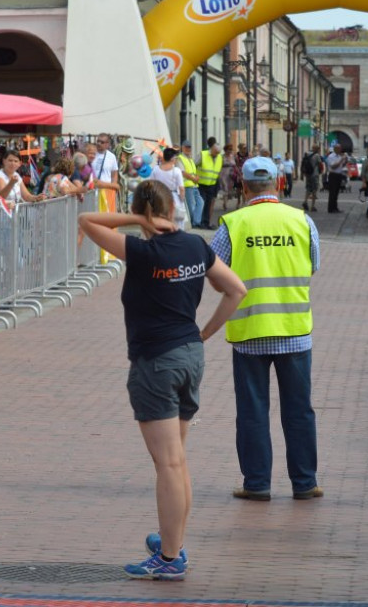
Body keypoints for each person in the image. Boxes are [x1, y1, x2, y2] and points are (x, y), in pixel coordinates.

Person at [78, 180, 246, 581]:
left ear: (142, 213)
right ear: (173, 208)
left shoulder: (141, 250)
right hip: (190, 354)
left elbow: (87, 219)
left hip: (156, 360)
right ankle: (174, 541)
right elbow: (236, 290)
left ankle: (170, 557)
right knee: (177, 460)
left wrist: (139, 220)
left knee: (167, 463)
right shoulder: (195, 246)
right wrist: (205, 333)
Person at [211, 157, 322, 502]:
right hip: (294, 330)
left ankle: (257, 483)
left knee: (253, 410)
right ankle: (305, 483)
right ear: (279, 183)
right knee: (299, 409)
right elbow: (313, 265)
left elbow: (215, 274)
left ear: (243, 186)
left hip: (250, 333)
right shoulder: (302, 221)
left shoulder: (232, 224)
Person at [150, 146, 187, 230]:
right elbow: (181, 188)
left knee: (160, 220)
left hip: (159, 196)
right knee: (176, 222)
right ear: (172, 159)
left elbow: (151, 185)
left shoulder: (156, 169)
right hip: (173, 197)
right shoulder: (177, 171)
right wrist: (182, 199)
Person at [196, 143, 222, 229]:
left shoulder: (219, 157)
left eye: (218, 153)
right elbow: (194, 164)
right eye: (215, 152)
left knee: (208, 204)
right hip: (201, 184)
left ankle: (206, 222)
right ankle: (199, 222)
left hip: (212, 184)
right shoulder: (203, 154)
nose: (216, 154)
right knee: (201, 203)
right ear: (211, 149)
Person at [177, 140, 202, 225]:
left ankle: (196, 222)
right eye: (186, 147)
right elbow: (182, 172)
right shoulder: (180, 158)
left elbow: (193, 171)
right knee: (191, 206)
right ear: (182, 148)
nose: (188, 149)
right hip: (187, 185)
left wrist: (197, 177)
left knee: (200, 203)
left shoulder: (190, 159)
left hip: (194, 185)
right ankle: (193, 223)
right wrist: (193, 179)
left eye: (189, 147)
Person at [325, 144, 349, 214]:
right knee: (332, 192)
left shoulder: (339, 156)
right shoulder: (331, 156)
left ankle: (335, 207)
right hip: (333, 175)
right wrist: (342, 159)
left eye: (341, 148)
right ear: (335, 149)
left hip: (339, 175)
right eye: (339, 148)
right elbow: (333, 166)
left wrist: (345, 161)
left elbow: (341, 165)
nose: (340, 150)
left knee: (336, 193)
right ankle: (331, 208)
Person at [301, 145, 322, 213]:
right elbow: (320, 164)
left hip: (308, 175)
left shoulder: (307, 154)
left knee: (308, 188)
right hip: (314, 175)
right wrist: (320, 171)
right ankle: (312, 206)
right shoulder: (317, 156)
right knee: (314, 190)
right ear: (317, 149)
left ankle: (305, 201)